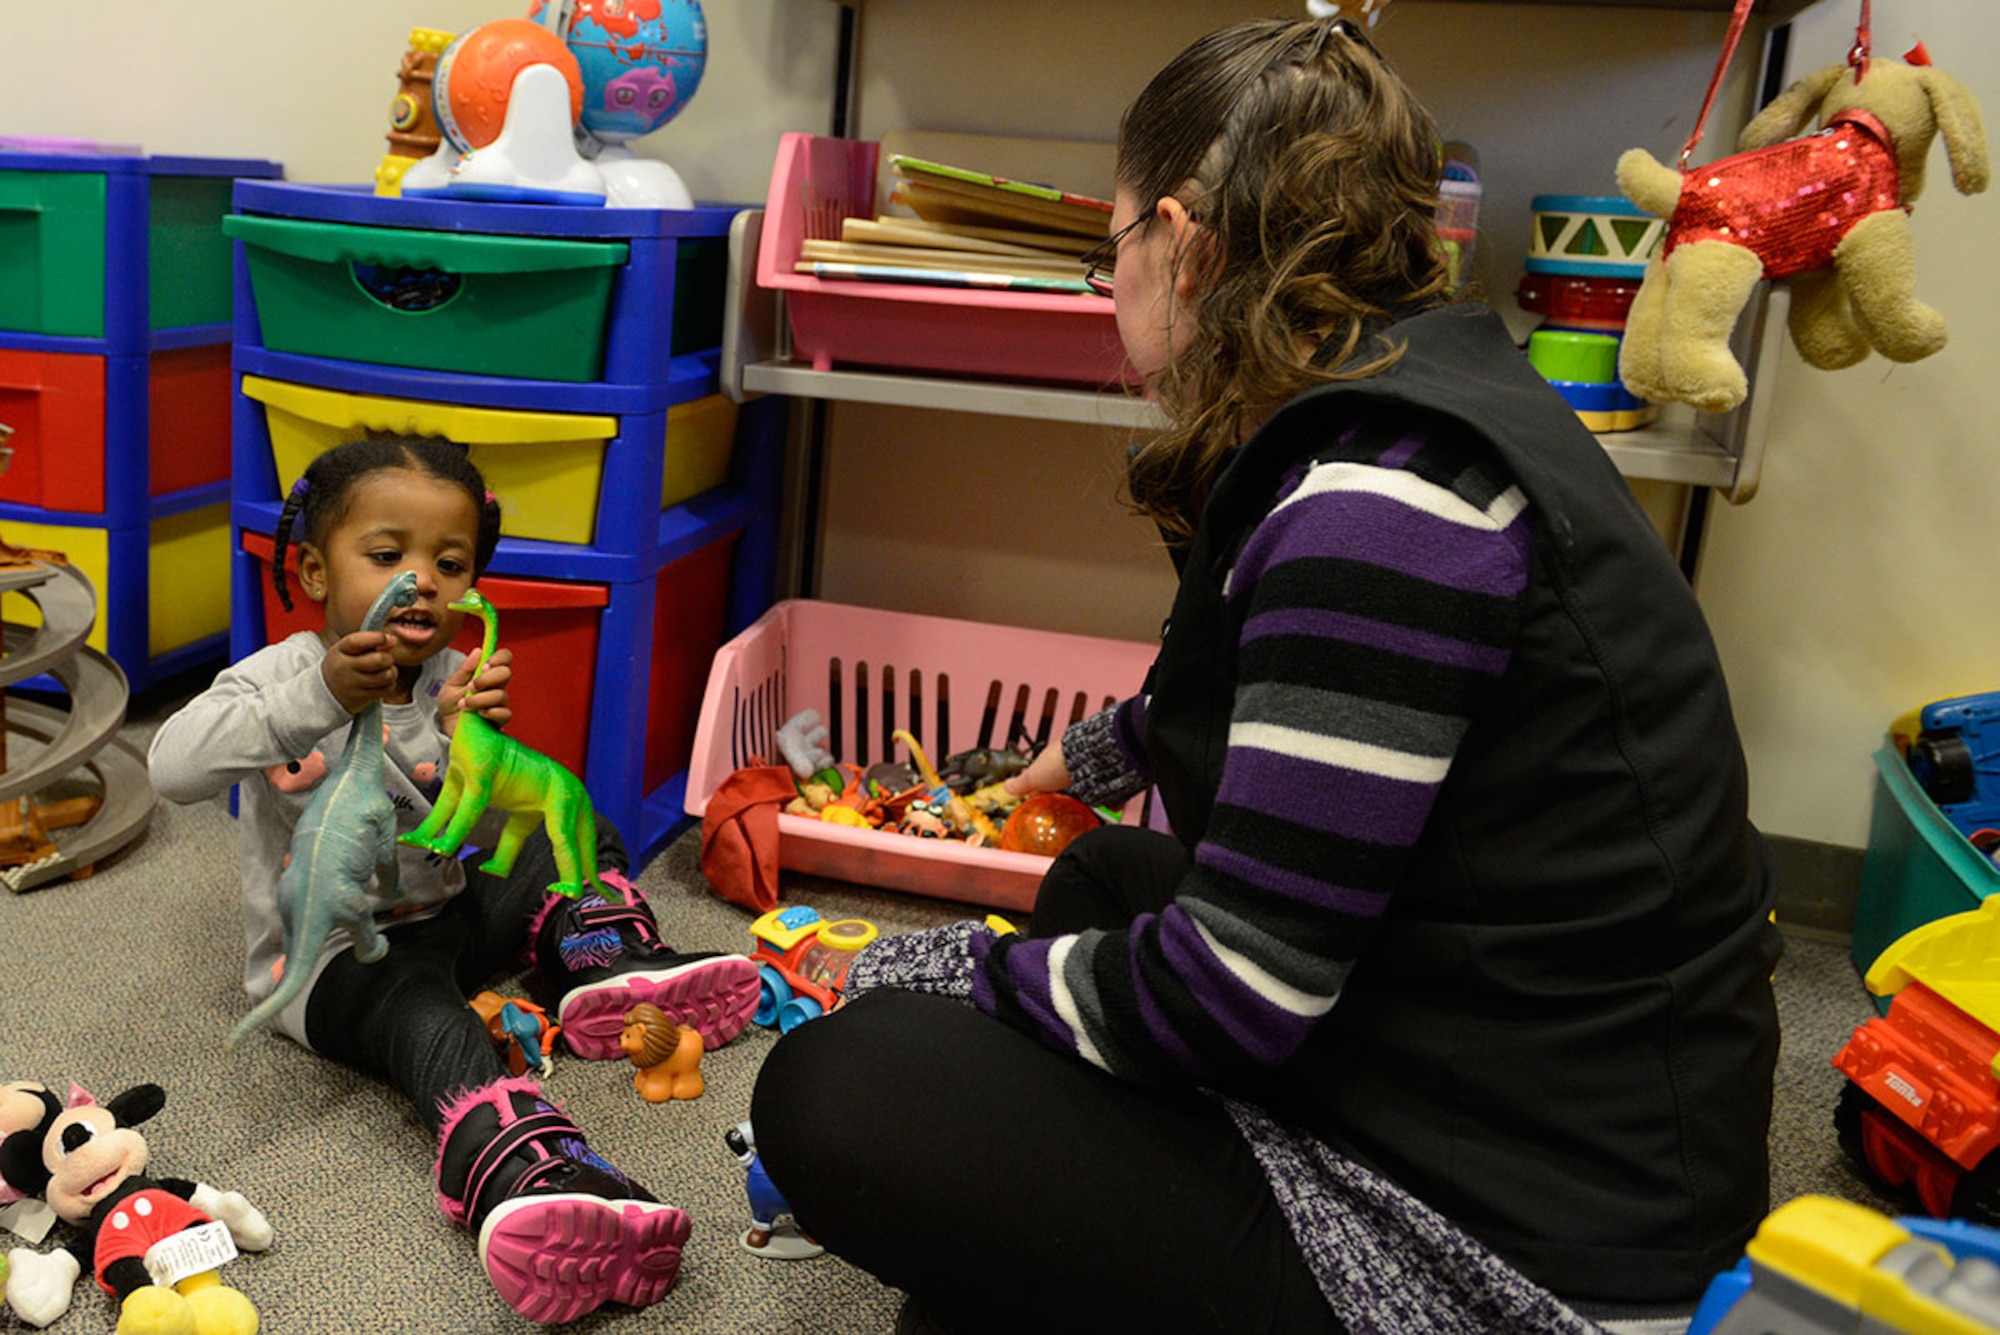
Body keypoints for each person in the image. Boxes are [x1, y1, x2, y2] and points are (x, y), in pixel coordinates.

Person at [749, 17, 1780, 1335]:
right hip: (1511, 1067)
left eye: (1111, 247)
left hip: (1524, 1258)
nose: (1111, 286)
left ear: (1182, 240)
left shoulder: (1375, 509)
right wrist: (1107, 747)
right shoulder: (1434, 409)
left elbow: (1234, 994)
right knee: (1109, 876)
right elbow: (1321, 701)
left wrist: (942, 976)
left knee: (843, 1082)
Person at [148, 436, 762, 1324]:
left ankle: (603, 954)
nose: (423, 580)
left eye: (450, 562)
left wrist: (474, 752)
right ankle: (519, 1171)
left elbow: (471, 833)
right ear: (317, 571)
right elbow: (172, 768)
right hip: (330, 961)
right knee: (430, 1022)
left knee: (577, 824)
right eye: (388, 554)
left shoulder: (447, 679)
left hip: (444, 912)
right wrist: (319, 694)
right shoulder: (278, 677)